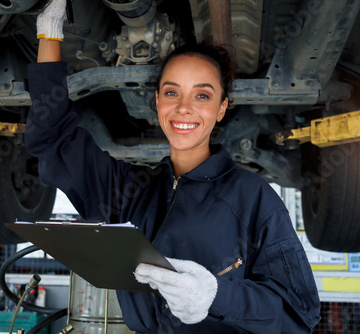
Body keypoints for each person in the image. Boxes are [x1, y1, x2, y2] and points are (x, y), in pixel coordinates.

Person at [25, 0, 321, 332]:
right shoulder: (128, 191)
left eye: (202, 96)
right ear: (157, 101)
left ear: (222, 107)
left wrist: (217, 297)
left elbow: (298, 316)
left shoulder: (254, 200)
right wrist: (49, 33)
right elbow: (54, 140)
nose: (183, 108)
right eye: (171, 92)